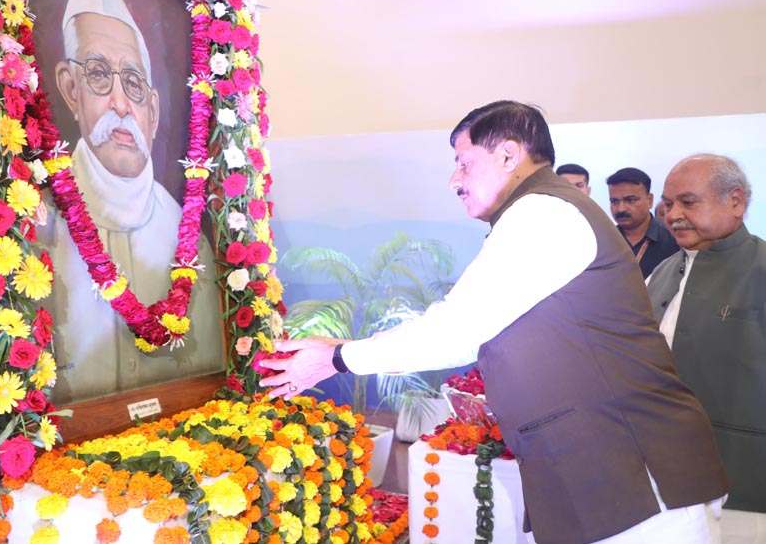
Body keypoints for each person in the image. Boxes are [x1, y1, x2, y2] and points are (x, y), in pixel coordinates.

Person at [262, 101, 727, 544]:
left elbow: (457, 329)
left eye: (464, 163)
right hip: (608, 466)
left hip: (633, 469)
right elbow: (470, 334)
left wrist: (338, 358)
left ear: (508, 154)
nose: (454, 180)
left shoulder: (544, 211)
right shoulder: (541, 210)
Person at [41, 0, 223, 404]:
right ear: (70, 88)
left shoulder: (187, 237)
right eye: (99, 75)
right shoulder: (35, 227)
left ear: (153, 112)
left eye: (134, 83)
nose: (121, 104)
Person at [647, 154, 765, 544]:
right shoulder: (662, 273)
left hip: (745, 485)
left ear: (736, 201)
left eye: (688, 202)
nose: (673, 215)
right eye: (668, 204)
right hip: (664, 483)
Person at [606, 167, 679, 278]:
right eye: (614, 201)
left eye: (630, 200)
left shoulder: (674, 239)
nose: (621, 209)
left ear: (649, 200)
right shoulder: (603, 242)